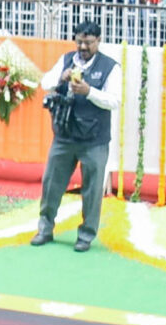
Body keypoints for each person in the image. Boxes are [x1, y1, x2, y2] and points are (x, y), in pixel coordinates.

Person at [33, 20, 119, 252]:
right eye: (80, 41)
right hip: (64, 135)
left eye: (88, 42)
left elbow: (115, 101)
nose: (83, 46)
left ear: (98, 41)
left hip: (94, 139)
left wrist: (89, 92)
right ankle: (45, 228)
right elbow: (45, 83)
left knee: (92, 190)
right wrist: (61, 77)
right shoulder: (65, 60)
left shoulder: (111, 67)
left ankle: (86, 235)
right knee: (51, 184)